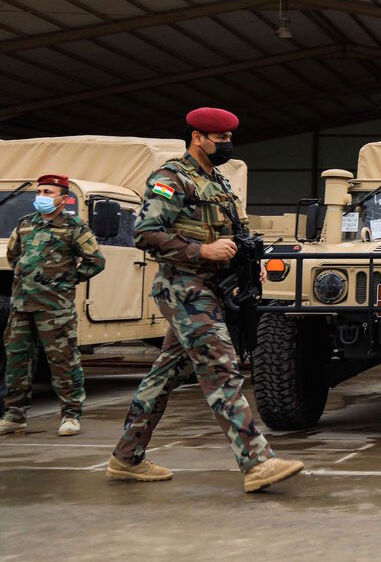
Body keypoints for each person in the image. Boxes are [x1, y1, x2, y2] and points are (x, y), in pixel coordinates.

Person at [106, 108, 305, 492]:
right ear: (198, 137)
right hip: (185, 288)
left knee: (164, 375)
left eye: (230, 138)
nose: (227, 145)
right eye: (221, 139)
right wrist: (204, 251)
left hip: (213, 288)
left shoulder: (219, 182)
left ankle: (126, 457)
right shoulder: (171, 178)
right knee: (221, 366)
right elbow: (146, 234)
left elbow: (238, 233)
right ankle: (257, 462)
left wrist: (253, 265)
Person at [0, 174, 104, 437]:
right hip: (22, 306)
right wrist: (30, 278)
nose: (42, 196)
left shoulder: (74, 228)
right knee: (17, 361)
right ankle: (15, 415)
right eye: (40, 191)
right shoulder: (25, 225)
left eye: (48, 192)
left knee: (63, 361)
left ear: (63, 198)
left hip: (55, 308)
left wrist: (68, 280)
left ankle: (70, 414)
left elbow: (96, 261)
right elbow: (14, 256)